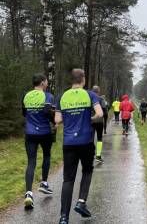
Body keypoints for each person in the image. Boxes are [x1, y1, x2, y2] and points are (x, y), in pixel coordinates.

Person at [55, 69, 103, 224]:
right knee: (87, 171)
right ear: (83, 79)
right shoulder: (90, 95)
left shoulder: (62, 96)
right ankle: (81, 202)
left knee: (68, 180)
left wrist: (68, 119)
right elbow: (100, 114)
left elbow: (57, 119)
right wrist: (91, 118)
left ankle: (63, 218)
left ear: (72, 80)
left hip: (69, 142)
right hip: (86, 141)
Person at [22, 73, 55, 210]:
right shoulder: (48, 96)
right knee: (46, 155)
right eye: (46, 81)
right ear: (42, 82)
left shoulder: (26, 95)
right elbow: (49, 114)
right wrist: (55, 122)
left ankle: (28, 194)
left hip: (30, 132)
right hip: (44, 132)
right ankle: (44, 183)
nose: (47, 83)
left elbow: (24, 113)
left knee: (31, 161)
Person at [91, 86, 104, 163]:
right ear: (98, 91)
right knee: (99, 138)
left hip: (91, 121)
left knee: (90, 138)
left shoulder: (89, 98)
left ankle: (91, 154)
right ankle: (98, 156)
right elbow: (105, 110)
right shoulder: (101, 99)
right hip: (99, 121)